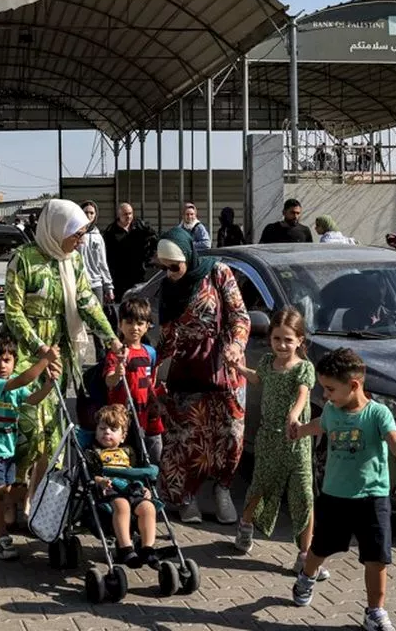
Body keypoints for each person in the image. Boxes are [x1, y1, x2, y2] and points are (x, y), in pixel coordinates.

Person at [3, 198, 121, 514]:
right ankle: (11, 499)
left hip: (60, 359)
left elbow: (87, 302)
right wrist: (39, 347)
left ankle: (38, 502)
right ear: (57, 229)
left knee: (53, 435)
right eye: (77, 234)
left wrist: (110, 338)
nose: (80, 241)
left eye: (83, 234)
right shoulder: (23, 259)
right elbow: (13, 312)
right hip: (28, 359)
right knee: (27, 432)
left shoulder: (73, 261)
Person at [289, 347, 396, 630]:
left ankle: (375, 612)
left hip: (373, 498)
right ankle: (306, 578)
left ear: (354, 385)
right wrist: (299, 430)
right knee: (319, 549)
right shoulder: (333, 411)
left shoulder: (377, 414)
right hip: (335, 497)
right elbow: (320, 424)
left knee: (377, 558)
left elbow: (393, 440)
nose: (326, 396)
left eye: (330, 389)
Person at [155, 227, 250, 524]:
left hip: (224, 368)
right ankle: (187, 498)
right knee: (186, 439)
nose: (170, 273)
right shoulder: (168, 289)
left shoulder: (218, 273)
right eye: (164, 268)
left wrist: (235, 345)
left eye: (175, 267)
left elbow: (239, 315)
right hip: (187, 372)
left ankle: (223, 490)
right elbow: (167, 337)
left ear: (188, 256)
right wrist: (154, 371)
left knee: (230, 437)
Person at [229, 307, 326, 578]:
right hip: (269, 437)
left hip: (296, 441)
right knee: (260, 484)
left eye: (288, 340)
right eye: (277, 339)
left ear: (300, 342)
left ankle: (305, 555)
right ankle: (245, 527)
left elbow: (303, 394)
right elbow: (258, 379)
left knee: (303, 495)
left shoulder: (304, 368)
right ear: (270, 339)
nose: (282, 345)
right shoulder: (268, 362)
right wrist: (238, 367)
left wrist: (294, 416)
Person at [0, 334, 61, 560]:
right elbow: (21, 381)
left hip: (8, 449)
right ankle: (2, 539)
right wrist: (45, 360)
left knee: (8, 493)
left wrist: (49, 385)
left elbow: (31, 398)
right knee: (0, 493)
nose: (2, 365)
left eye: (7, 360)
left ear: (14, 361)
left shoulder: (14, 386)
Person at [85, 404, 160, 569]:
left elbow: (135, 472)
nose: (107, 432)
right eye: (102, 428)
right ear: (96, 432)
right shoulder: (94, 453)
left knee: (148, 507)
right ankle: (126, 548)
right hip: (109, 489)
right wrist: (100, 481)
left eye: (113, 429)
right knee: (122, 505)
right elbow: (89, 475)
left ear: (123, 436)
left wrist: (144, 487)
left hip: (131, 487)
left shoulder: (128, 451)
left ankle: (148, 548)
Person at [103, 297, 165, 465]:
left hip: (146, 415)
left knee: (152, 459)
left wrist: (158, 393)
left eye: (139, 323)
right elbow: (109, 381)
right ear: (120, 325)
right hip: (122, 418)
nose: (134, 328)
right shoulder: (116, 353)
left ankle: (147, 489)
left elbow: (149, 382)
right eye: (129, 323)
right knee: (124, 459)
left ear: (147, 326)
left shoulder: (150, 352)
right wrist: (117, 373)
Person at [102, 202, 157, 303]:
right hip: (120, 276)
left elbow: (154, 238)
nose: (128, 217)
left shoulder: (140, 225)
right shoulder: (111, 232)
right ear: (119, 215)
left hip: (139, 273)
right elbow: (106, 256)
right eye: (125, 214)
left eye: (130, 213)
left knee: (140, 304)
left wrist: (149, 258)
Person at [78, 200, 116, 317]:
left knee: (98, 319)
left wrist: (108, 287)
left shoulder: (98, 237)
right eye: (85, 212)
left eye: (91, 213)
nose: (88, 216)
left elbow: (102, 263)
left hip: (96, 284)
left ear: (95, 215)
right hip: (78, 284)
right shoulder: (74, 235)